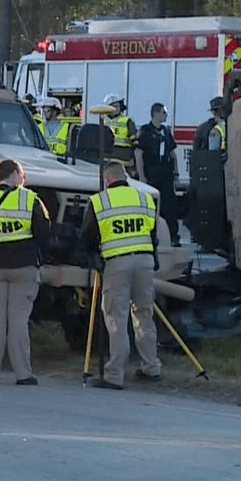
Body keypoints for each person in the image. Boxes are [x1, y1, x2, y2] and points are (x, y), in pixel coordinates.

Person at [0, 159, 51, 386]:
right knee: (18, 321)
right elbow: (44, 231)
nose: (24, 180)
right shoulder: (30, 199)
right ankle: (23, 374)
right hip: (23, 267)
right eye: (22, 175)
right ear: (14, 175)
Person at [81, 161, 163, 390]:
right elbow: (152, 233)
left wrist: (94, 257)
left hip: (117, 263)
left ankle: (115, 374)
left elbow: (87, 236)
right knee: (144, 314)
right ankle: (151, 367)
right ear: (124, 177)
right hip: (144, 261)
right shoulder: (144, 199)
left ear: (107, 180)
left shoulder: (100, 201)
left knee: (117, 318)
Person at [135, 102, 180, 247]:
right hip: (151, 173)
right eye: (163, 112)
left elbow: (172, 154)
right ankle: (149, 237)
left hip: (165, 175)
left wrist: (176, 174)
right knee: (150, 207)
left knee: (170, 206)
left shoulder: (166, 131)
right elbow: (138, 154)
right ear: (155, 113)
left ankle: (173, 236)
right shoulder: (145, 131)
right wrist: (142, 177)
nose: (165, 115)